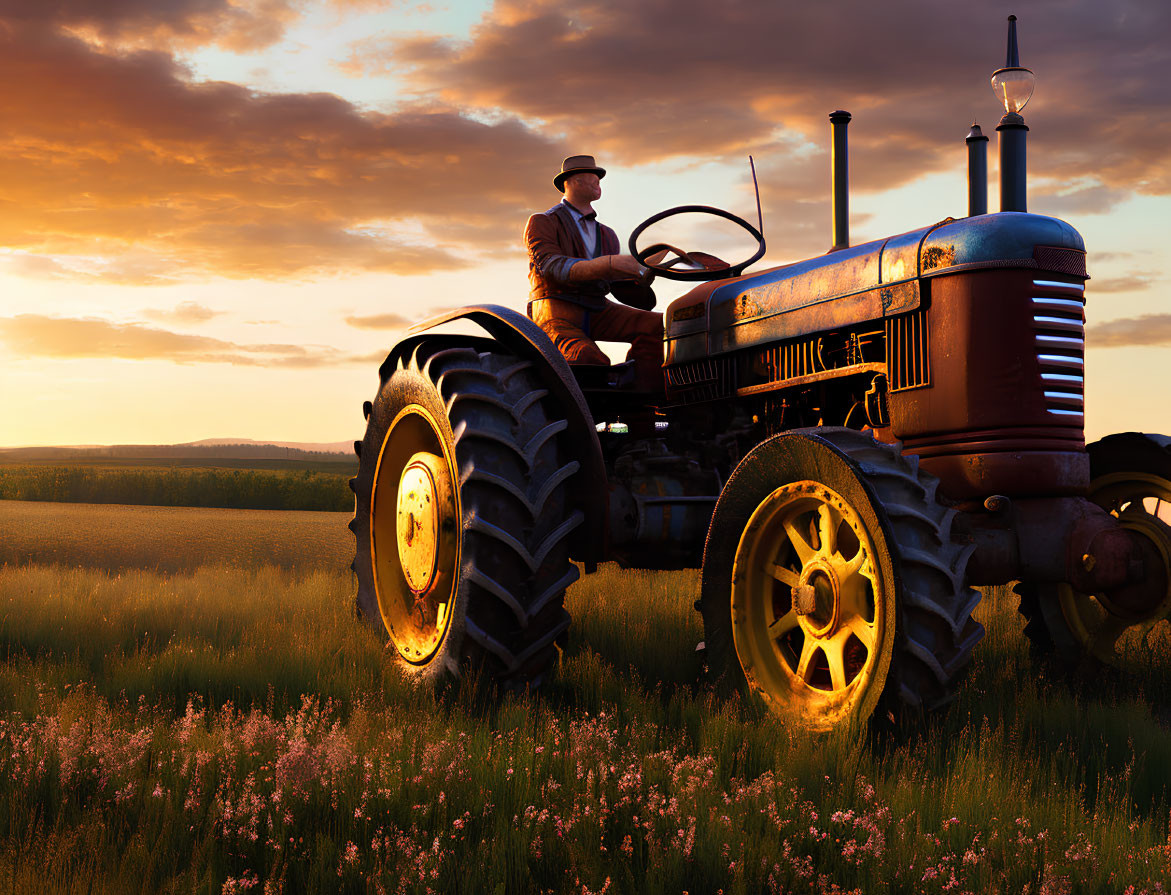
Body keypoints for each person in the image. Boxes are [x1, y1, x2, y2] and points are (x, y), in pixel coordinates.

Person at [524, 155, 663, 392]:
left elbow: (615, 284)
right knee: (588, 358)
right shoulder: (542, 222)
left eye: (599, 178)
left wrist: (646, 270)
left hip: (598, 308)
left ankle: (643, 398)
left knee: (660, 326)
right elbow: (553, 267)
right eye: (593, 177)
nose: (598, 182)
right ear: (574, 181)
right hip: (557, 313)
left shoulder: (607, 234)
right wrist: (610, 264)